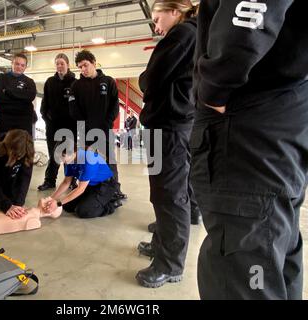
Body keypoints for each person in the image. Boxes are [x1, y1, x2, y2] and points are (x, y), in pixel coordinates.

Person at [191, 0, 308, 300]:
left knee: (244, 262)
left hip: (247, 124)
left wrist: (215, 86)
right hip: (280, 119)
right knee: (274, 247)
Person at [135, 0, 200, 288]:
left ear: (174, 11)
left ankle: (170, 264)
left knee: (170, 195)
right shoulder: (193, 33)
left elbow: (150, 78)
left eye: (158, 16)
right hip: (172, 124)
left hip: (169, 127)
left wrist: (144, 78)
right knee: (165, 193)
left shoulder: (183, 33)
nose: (156, 24)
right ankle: (162, 245)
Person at [69, 49, 127, 202]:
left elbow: (115, 106)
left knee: (109, 159)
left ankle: (115, 189)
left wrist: (107, 123)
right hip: (84, 130)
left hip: (104, 129)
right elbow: (73, 109)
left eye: (85, 65)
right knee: (83, 158)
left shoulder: (108, 82)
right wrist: (84, 124)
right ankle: (82, 186)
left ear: (94, 63)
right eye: (80, 67)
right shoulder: (76, 86)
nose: (83, 69)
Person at [39, 139, 121, 219]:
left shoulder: (89, 160)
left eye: (63, 156)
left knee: (83, 211)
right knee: (67, 206)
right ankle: (93, 200)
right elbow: (66, 182)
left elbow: (80, 189)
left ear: (74, 152)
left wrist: (58, 203)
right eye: (59, 157)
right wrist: (51, 198)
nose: (62, 160)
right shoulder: (69, 160)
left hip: (105, 185)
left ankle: (112, 202)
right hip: (89, 184)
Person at [38, 53, 77, 191]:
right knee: (54, 154)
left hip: (70, 126)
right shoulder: (50, 82)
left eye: (62, 63)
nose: (60, 66)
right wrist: (47, 119)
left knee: (68, 155)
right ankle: (50, 180)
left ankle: (71, 181)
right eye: (57, 63)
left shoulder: (75, 82)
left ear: (68, 65)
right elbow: (44, 105)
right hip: (53, 126)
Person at [0, 53, 37, 135]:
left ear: (25, 67)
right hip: (4, 119)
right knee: (3, 145)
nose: (19, 67)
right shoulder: (2, 78)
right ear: (12, 63)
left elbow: (30, 96)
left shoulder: (29, 82)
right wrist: (21, 98)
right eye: (17, 64)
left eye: (22, 65)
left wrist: (9, 92)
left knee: (23, 146)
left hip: (24, 120)